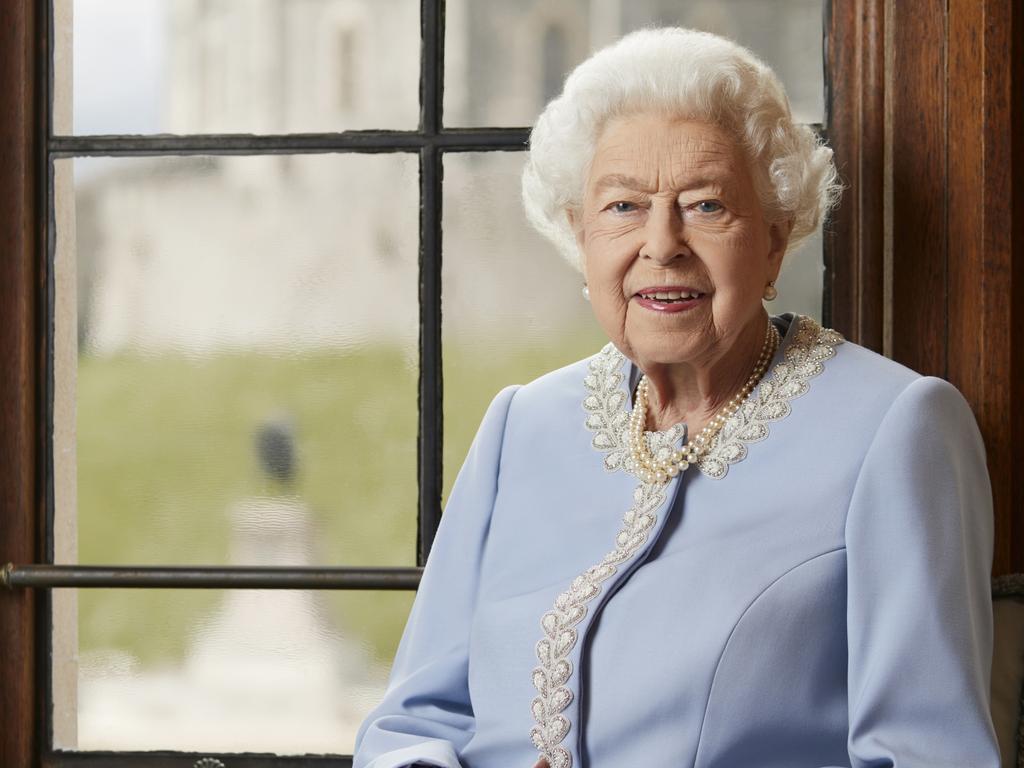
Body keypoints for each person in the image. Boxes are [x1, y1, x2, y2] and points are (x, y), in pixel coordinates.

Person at [352, 27, 999, 768]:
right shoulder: (520, 426)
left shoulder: (895, 427)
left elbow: (927, 755)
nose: (662, 243)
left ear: (775, 241)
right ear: (580, 236)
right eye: (623, 207)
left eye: (705, 205)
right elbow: (409, 725)